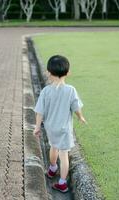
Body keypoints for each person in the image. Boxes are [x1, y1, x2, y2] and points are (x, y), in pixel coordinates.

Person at [33, 55, 86, 193]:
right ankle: (62, 182)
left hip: (51, 128)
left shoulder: (46, 91)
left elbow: (40, 111)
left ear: (48, 72)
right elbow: (76, 107)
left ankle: (52, 169)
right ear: (68, 73)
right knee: (64, 155)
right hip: (64, 130)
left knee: (53, 147)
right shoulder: (70, 90)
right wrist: (81, 117)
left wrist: (37, 127)